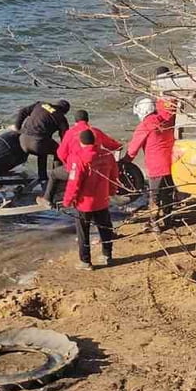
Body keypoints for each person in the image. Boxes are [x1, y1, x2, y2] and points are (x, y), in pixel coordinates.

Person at [63, 129, 118, 269]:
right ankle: (107, 255)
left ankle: (85, 261)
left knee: (83, 232)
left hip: (84, 203)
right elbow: (114, 176)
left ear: (81, 142)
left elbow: (74, 182)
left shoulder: (78, 157)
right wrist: (111, 191)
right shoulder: (107, 155)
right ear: (95, 140)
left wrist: (68, 200)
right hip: (102, 199)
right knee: (105, 228)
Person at [47, 110, 122, 204]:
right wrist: (119, 145)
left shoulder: (70, 133)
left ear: (75, 121)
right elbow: (112, 145)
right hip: (95, 169)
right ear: (87, 120)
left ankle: (47, 199)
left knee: (54, 174)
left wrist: (68, 164)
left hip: (77, 168)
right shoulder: (95, 131)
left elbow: (61, 153)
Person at [127, 97, 177, 229]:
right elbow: (170, 105)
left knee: (154, 197)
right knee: (167, 194)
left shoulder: (144, 126)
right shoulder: (167, 119)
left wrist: (123, 163)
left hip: (156, 167)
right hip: (172, 164)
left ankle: (154, 222)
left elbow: (133, 150)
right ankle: (168, 220)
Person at [12, 99, 70, 188]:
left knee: (44, 146)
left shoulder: (41, 104)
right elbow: (65, 139)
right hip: (37, 144)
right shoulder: (61, 118)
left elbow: (22, 111)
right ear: (65, 111)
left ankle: (42, 177)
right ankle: (56, 175)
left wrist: (17, 127)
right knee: (57, 150)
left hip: (23, 140)